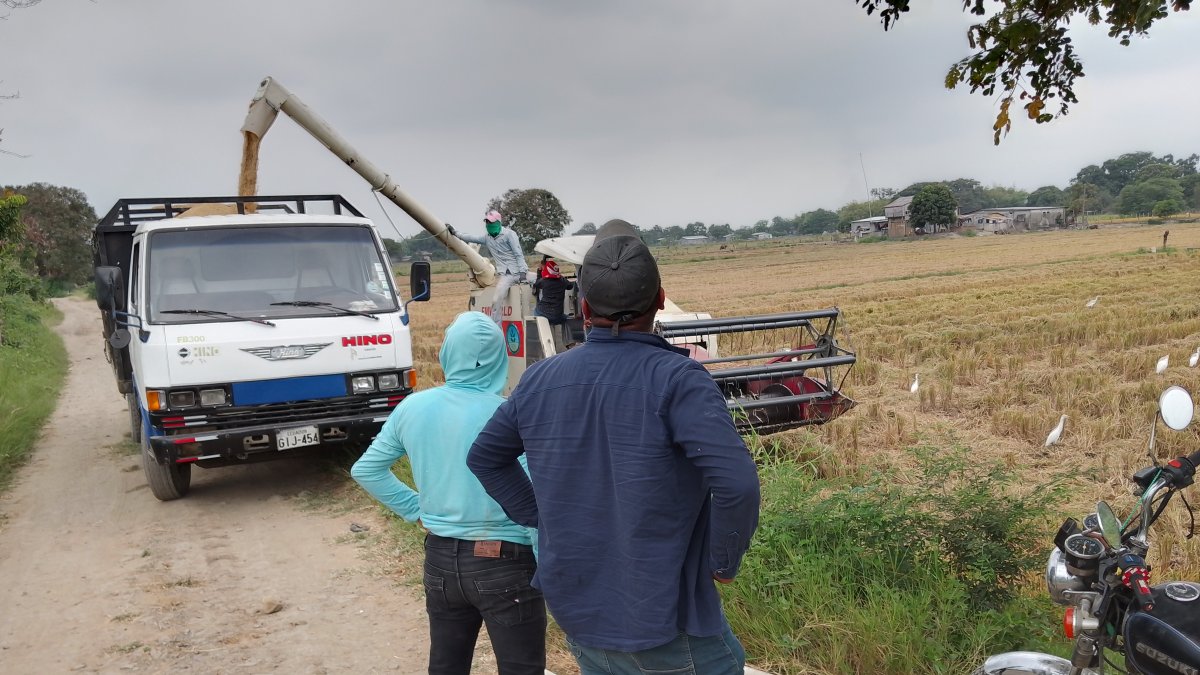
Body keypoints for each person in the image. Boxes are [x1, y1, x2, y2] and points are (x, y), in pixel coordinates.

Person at [466, 219, 761, 675]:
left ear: (582, 305)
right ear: (660, 300)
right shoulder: (678, 379)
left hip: (579, 613)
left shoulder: (541, 378)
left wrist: (543, 517)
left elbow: (485, 456)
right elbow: (737, 484)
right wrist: (723, 562)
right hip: (666, 620)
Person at [350, 312, 545, 675]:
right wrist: (547, 563)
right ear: (499, 358)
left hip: (439, 559)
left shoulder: (412, 407)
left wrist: (416, 510)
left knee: (446, 665)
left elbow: (366, 470)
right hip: (506, 562)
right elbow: (534, 499)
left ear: (447, 354)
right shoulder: (509, 414)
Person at [450, 210, 529, 325]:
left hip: (519, 272)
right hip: (506, 276)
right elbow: (471, 238)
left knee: (541, 281)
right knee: (496, 300)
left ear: (498, 222)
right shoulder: (487, 238)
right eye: (487, 222)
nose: (489, 225)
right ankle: (496, 328)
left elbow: (518, 253)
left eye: (491, 222)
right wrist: (455, 233)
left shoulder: (509, 234)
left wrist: (523, 271)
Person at [531, 258, 574, 341]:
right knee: (565, 318)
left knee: (535, 311)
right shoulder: (562, 281)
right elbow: (570, 286)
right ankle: (569, 342)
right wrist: (559, 276)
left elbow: (536, 284)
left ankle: (541, 339)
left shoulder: (544, 281)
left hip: (543, 314)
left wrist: (539, 272)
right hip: (557, 315)